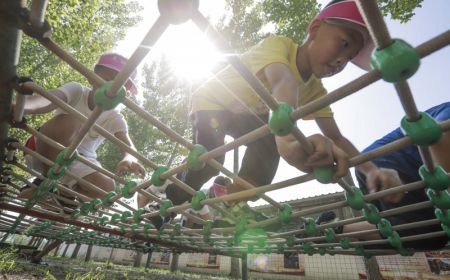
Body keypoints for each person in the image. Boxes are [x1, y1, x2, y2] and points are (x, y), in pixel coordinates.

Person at [141, 0, 379, 227]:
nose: (341, 61)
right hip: (213, 101)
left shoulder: (316, 90)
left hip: (245, 115)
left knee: (267, 147)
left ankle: (231, 202)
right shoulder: (280, 46)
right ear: (315, 29)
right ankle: (165, 203)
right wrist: (286, 139)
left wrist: (372, 171)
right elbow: (283, 81)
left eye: (348, 58)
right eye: (344, 44)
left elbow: (336, 137)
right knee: (210, 160)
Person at [320, 102, 450, 250]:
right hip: (388, 168)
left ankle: (334, 229)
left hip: (376, 166)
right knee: (431, 232)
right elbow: (442, 136)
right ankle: (336, 229)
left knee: (417, 232)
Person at [19, 53, 146, 203]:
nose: (111, 89)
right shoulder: (77, 91)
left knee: (108, 188)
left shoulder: (114, 117)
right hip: (47, 149)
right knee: (70, 122)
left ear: (125, 95)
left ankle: (64, 193)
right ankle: (45, 182)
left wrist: (129, 158)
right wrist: (22, 106)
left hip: (78, 159)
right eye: (106, 79)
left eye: (120, 87)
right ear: (91, 77)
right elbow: (48, 100)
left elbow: (128, 146)